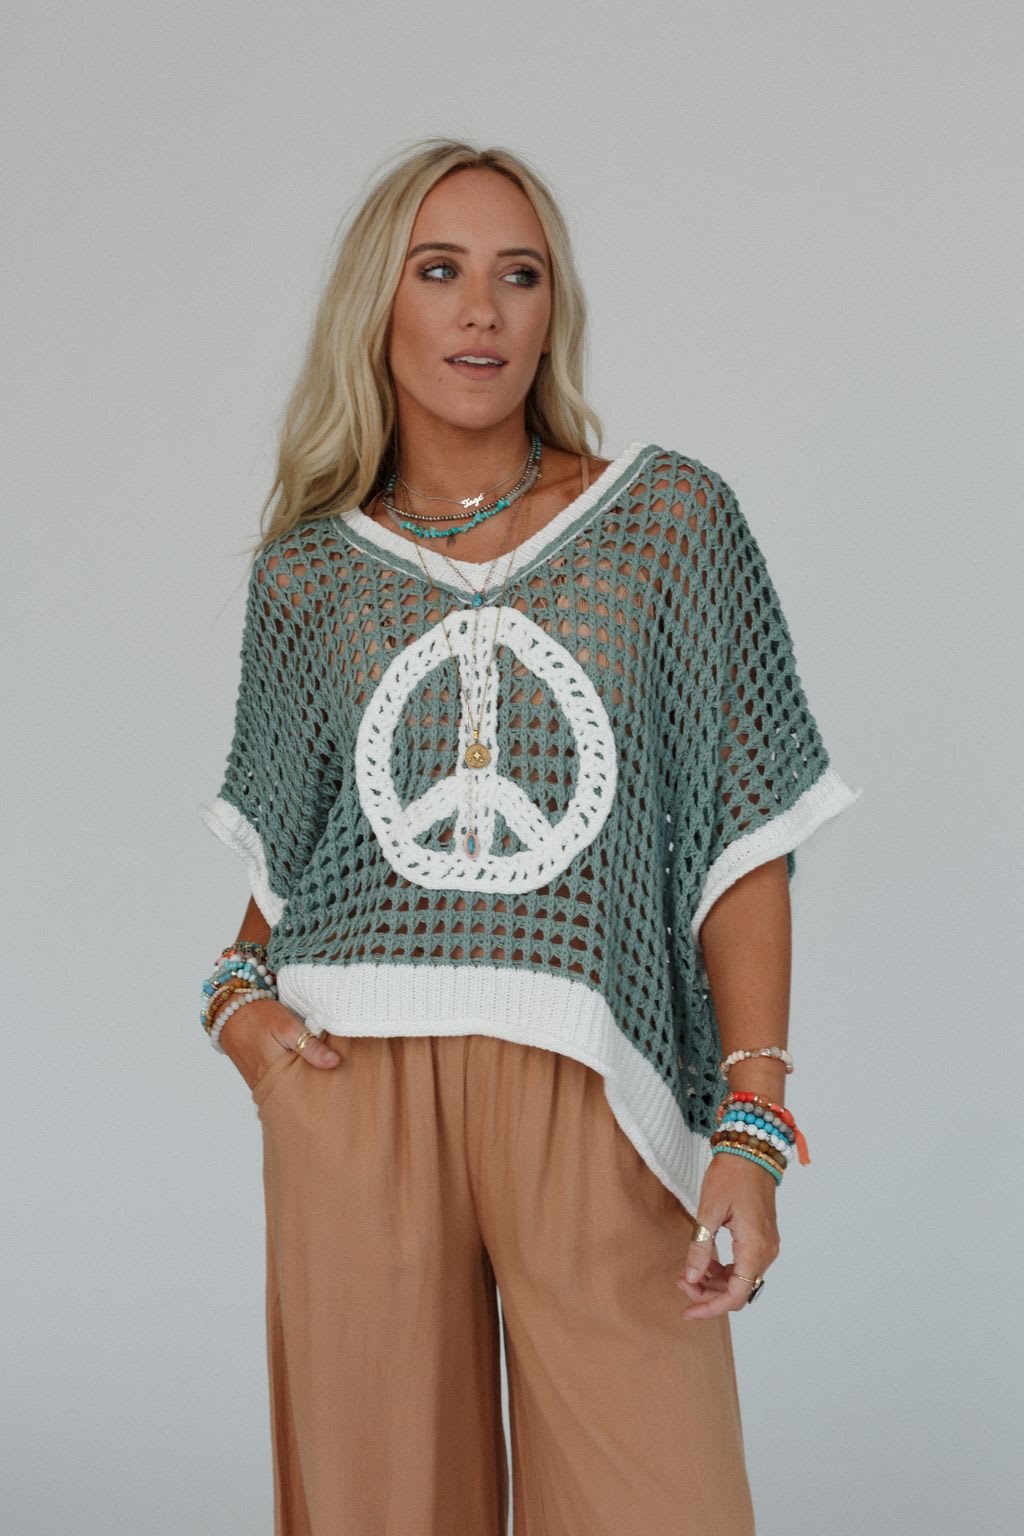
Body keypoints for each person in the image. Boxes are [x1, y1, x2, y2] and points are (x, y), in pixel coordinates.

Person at [197, 136, 862, 1536]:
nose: (482, 311)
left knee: (661, 1500)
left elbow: (741, 837)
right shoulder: (310, 572)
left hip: (594, 1069)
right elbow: (290, 864)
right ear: (379, 305)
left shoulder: (667, 524)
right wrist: (240, 1011)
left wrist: (751, 1124)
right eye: (440, 271)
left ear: (554, 310)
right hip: (354, 1084)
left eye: (520, 275)